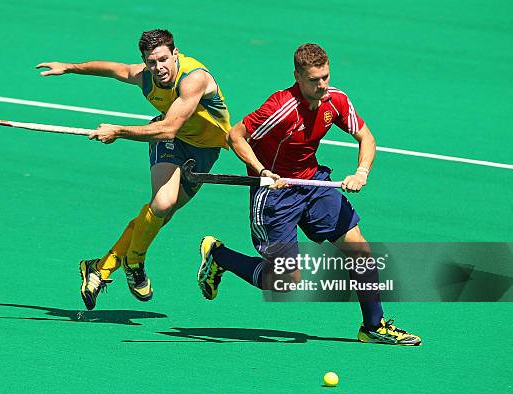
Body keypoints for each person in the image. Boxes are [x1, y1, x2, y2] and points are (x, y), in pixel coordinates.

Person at [197, 43, 421, 346]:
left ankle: (373, 326)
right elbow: (235, 135)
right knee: (286, 281)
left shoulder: (335, 101)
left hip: (313, 183)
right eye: (314, 80)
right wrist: (262, 171)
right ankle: (219, 256)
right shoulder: (280, 108)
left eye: (325, 77)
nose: (322, 85)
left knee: (361, 251)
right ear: (297, 77)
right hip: (275, 194)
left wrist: (361, 172)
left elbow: (365, 137)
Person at [37, 29, 230, 309]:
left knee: (160, 216)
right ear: (144, 60)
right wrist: (69, 67)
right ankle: (135, 261)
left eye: (164, 59)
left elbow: (170, 127)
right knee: (163, 203)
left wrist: (118, 130)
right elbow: (114, 69)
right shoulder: (146, 76)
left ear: (175, 53)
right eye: (151, 62)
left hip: (202, 148)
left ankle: (99, 268)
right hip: (170, 140)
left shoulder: (194, 78)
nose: (159, 68)